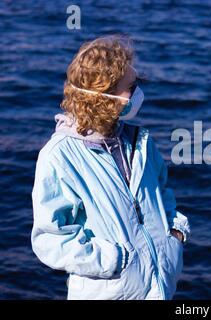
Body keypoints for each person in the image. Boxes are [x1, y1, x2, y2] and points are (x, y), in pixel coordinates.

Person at [30, 35, 190, 300]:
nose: (138, 93)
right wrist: (115, 259)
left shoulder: (141, 143)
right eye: (132, 86)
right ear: (103, 96)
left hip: (160, 289)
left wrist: (176, 233)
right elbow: (49, 238)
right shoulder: (59, 156)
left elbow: (162, 194)